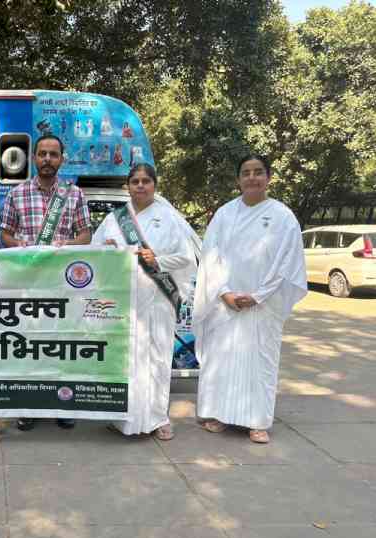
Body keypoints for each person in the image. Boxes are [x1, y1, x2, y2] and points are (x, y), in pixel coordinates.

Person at [193, 155, 307, 444]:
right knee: (223, 358)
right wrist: (225, 292)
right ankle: (219, 414)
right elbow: (211, 256)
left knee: (260, 362)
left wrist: (258, 295)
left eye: (258, 172)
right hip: (226, 302)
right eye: (246, 173)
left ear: (268, 177)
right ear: (238, 179)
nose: (252, 178)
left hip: (263, 305)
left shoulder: (282, 217)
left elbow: (287, 262)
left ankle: (257, 421)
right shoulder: (224, 214)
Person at [92, 163, 198, 440]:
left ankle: (158, 417)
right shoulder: (114, 219)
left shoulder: (169, 218)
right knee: (126, 359)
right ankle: (124, 418)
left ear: (154, 185)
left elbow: (186, 257)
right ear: (128, 185)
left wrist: (158, 260)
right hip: (125, 302)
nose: (140, 185)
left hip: (158, 299)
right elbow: (95, 250)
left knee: (158, 359)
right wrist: (108, 251)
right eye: (135, 181)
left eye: (145, 181)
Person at [0, 133, 92, 431]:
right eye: (42, 154)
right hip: (27, 286)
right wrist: (22, 248)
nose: (48, 159)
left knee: (60, 344)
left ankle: (62, 403)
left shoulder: (74, 194)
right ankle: (27, 406)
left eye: (53, 154)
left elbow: (85, 236)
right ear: (34, 158)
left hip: (62, 287)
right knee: (28, 346)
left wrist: (65, 248)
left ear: (62, 159)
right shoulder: (17, 193)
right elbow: (5, 233)